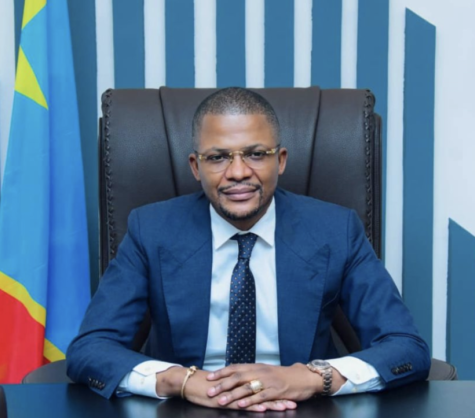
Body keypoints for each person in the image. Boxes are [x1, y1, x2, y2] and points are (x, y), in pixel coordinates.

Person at [67, 87, 430, 412]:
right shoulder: (151, 229)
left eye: (256, 154)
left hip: (302, 407)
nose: (238, 172)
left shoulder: (336, 230)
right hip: (185, 408)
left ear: (280, 160)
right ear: (196, 166)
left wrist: (309, 378)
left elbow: (406, 346)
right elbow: (91, 348)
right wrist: (179, 381)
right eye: (218, 157)